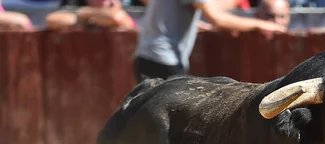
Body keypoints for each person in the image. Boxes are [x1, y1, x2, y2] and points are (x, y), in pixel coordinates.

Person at [133, 0, 286, 83]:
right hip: (164, 61)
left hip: (145, 57)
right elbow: (217, 18)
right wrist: (261, 24)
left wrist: (194, 24)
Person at [45, 0, 139, 30]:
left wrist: (87, 14)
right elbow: (52, 19)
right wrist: (88, 17)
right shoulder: (79, 9)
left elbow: (115, 17)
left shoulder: (124, 14)